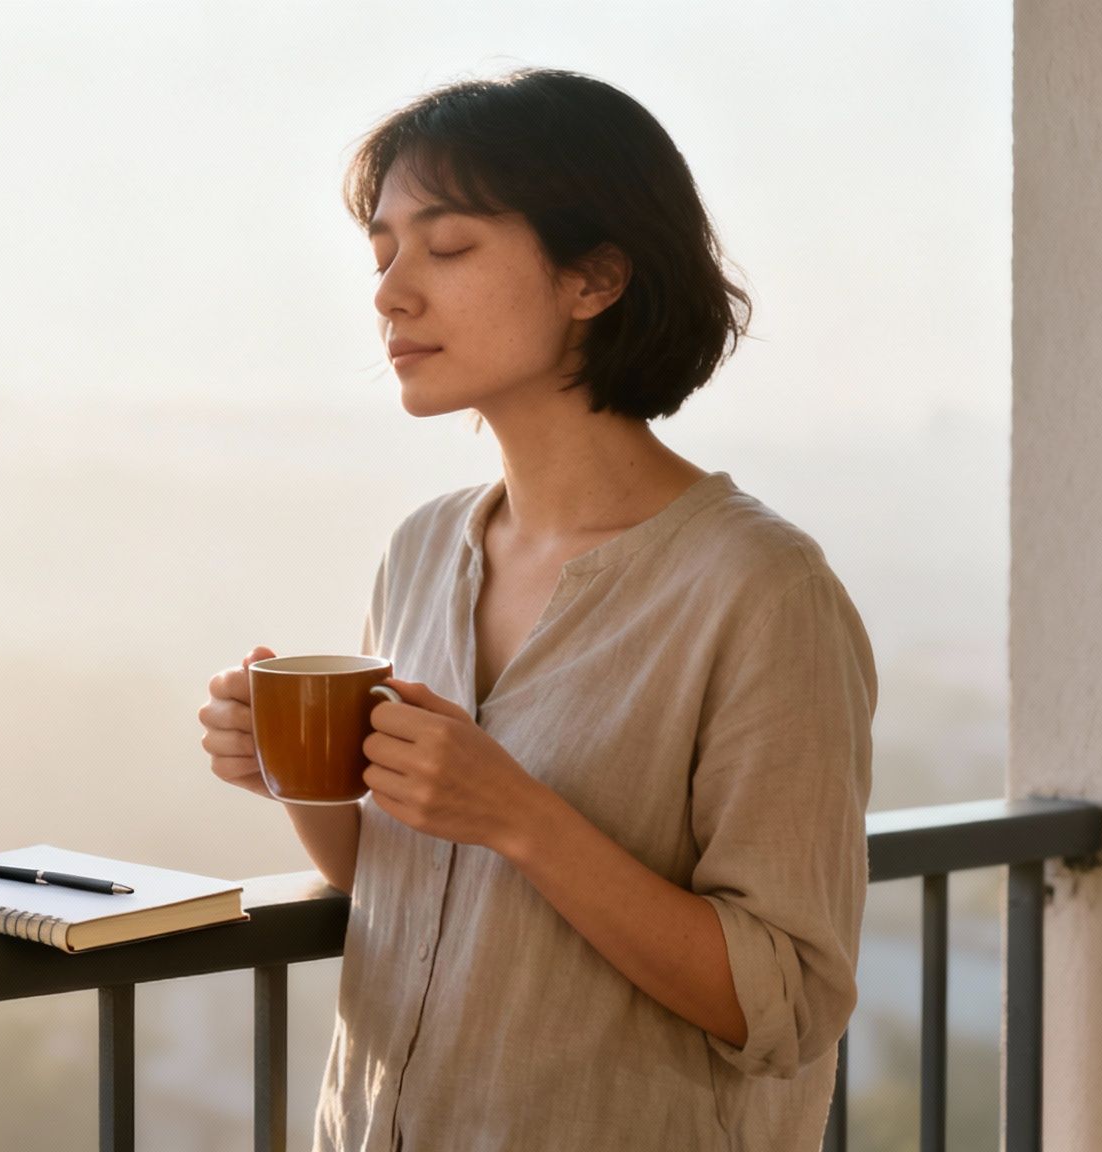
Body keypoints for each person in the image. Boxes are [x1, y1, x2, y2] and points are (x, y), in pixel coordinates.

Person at [197, 67, 877, 1151]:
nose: (388, 293)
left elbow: (783, 1004)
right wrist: (294, 777)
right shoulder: (423, 550)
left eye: (447, 247)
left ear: (594, 277)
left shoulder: (758, 592)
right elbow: (405, 881)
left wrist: (518, 813)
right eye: (381, 255)